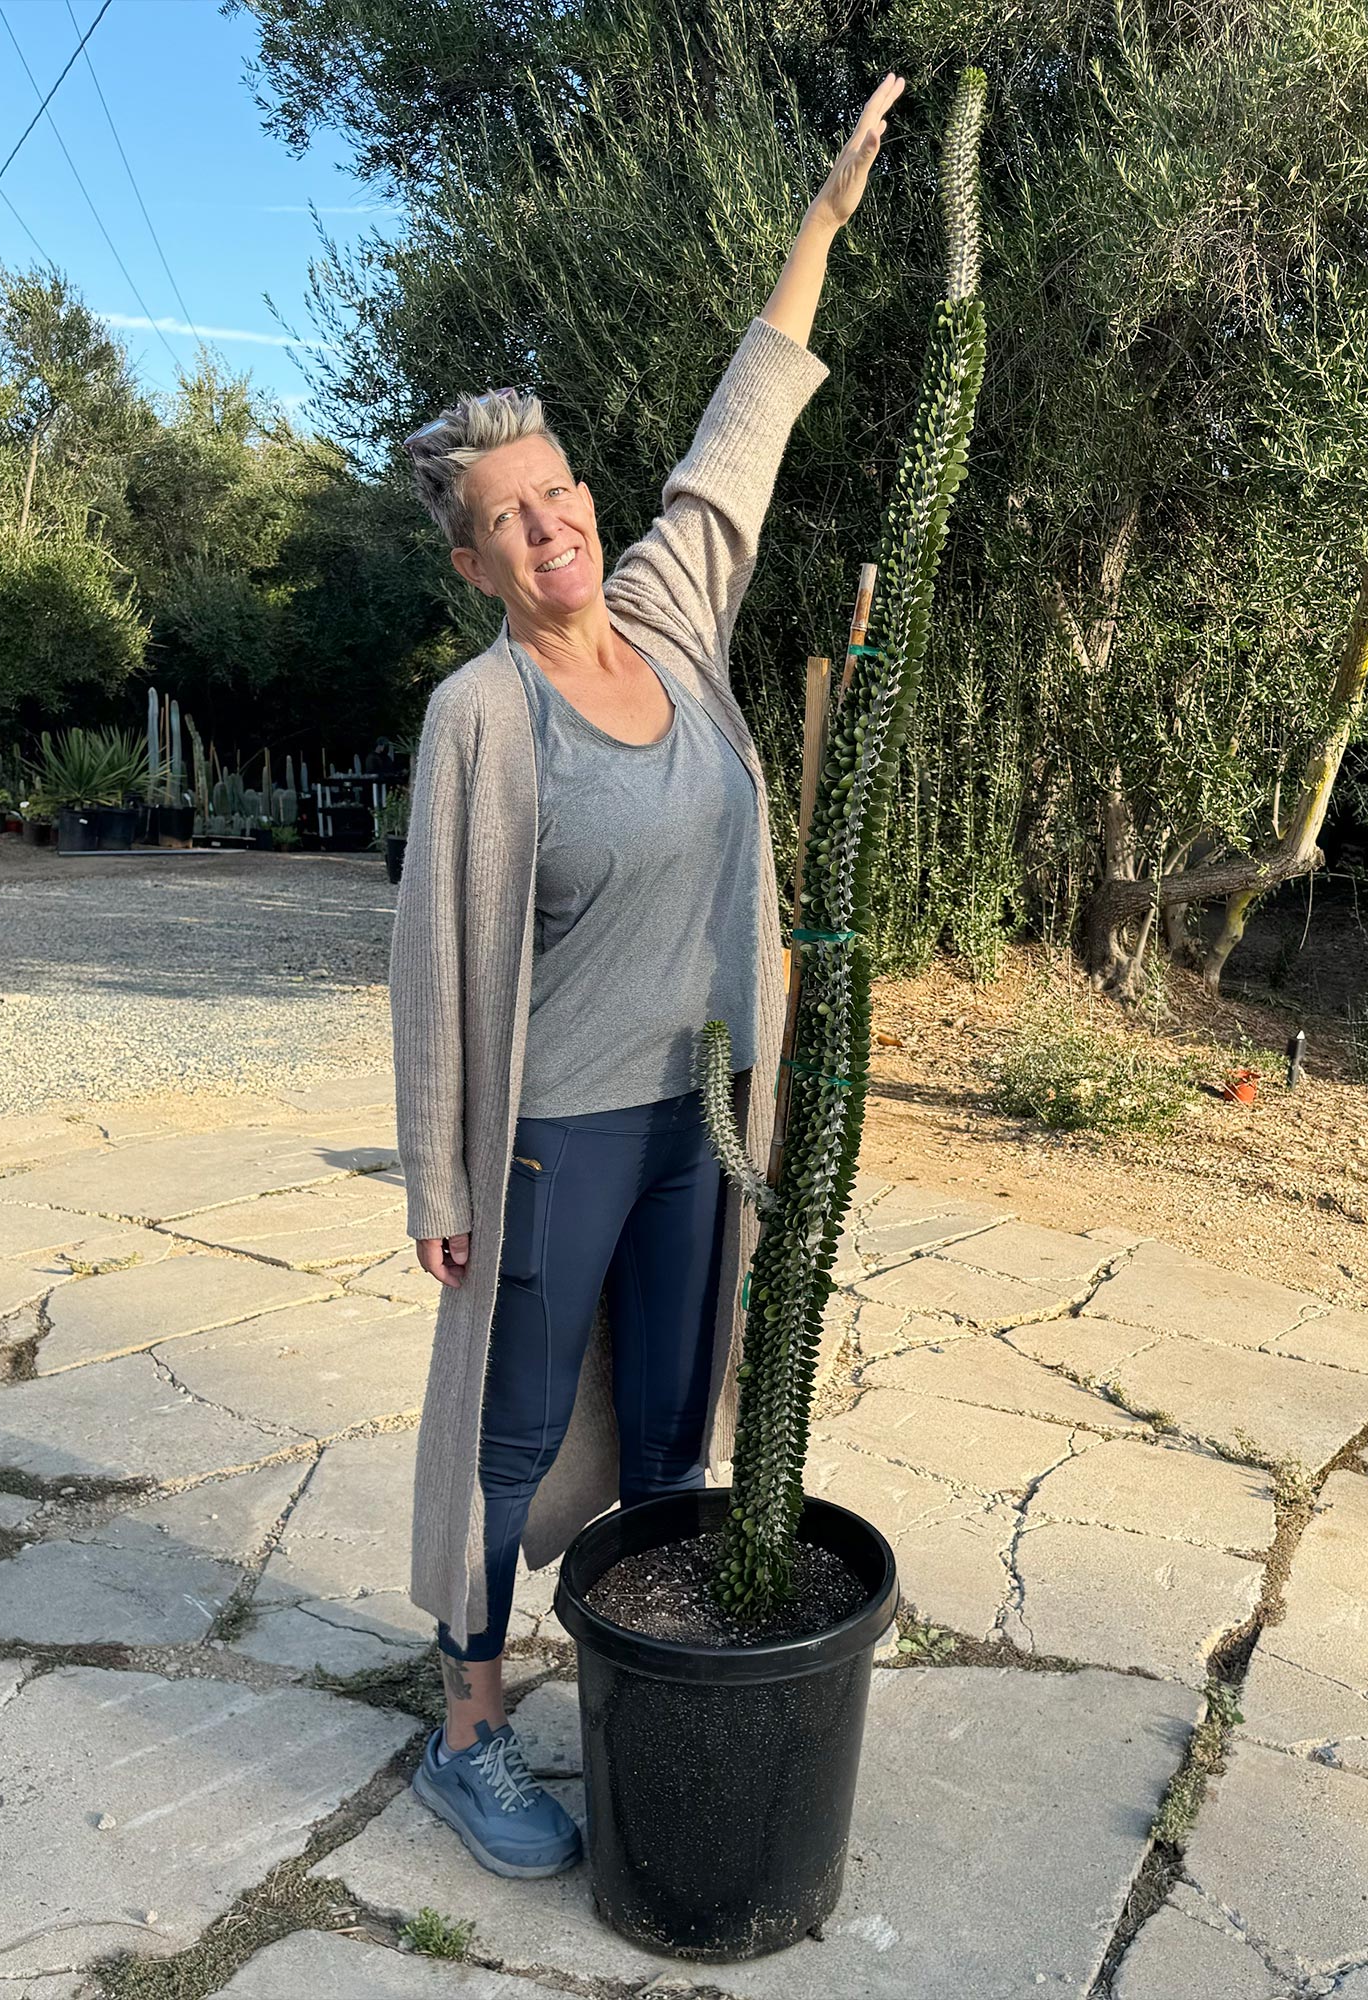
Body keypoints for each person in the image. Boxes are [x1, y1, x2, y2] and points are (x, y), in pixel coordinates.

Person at [389, 73, 908, 1880]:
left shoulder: (674, 623)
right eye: (509, 517)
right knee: (514, 1433)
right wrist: (440, 1177)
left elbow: (740, 432)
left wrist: (822, 225)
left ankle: (660, 1702)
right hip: (560, 1133)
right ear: (473, 559)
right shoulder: (482, 716)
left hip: (706, 1117)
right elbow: (432, 961)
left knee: (683, 1423)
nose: (550, 525)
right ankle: (468, 1728)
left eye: (559, 492)